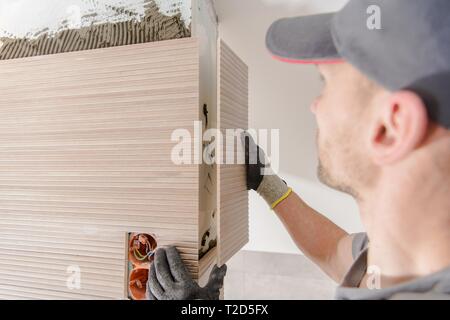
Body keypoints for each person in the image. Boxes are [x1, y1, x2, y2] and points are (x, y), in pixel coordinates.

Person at [146, 0, 450, 300]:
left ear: (392, 126)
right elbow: (334, 252)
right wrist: (268, 184)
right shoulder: (397, 255)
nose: (315, 105)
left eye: (325, 82)